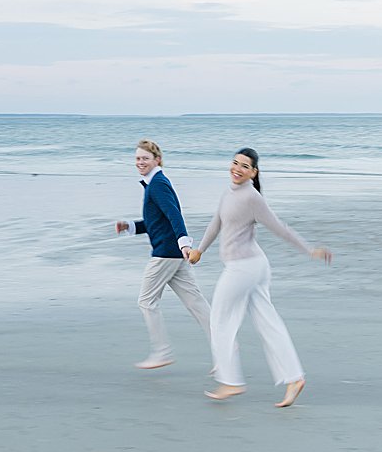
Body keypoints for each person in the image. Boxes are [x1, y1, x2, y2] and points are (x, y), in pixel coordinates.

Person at [188, 147, 332, 408]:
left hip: (244, 268)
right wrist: (199, 250)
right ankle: (294, 378)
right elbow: (216, 224)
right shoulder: (228, 193)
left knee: (219, 320)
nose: (237, 169)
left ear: (254, 172)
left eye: (245, 166)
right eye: (235, 163)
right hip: (252, 267)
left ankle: (230, 380)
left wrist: (310, 250)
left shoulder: (252, 198)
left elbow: (280, 228)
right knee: (269, 324)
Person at [115, 139, 212, 369]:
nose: (140, 162)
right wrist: (130, 226)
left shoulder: (157, 184)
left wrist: (184, 243)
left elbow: (174, 214)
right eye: (138, 158)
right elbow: (155, 221)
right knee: (196, 304)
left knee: (146, 301)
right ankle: (227, 348)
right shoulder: (153, 183)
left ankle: (162, 352)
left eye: (145, 158)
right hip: (174, 255)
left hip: (166, 254)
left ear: (157, 160)